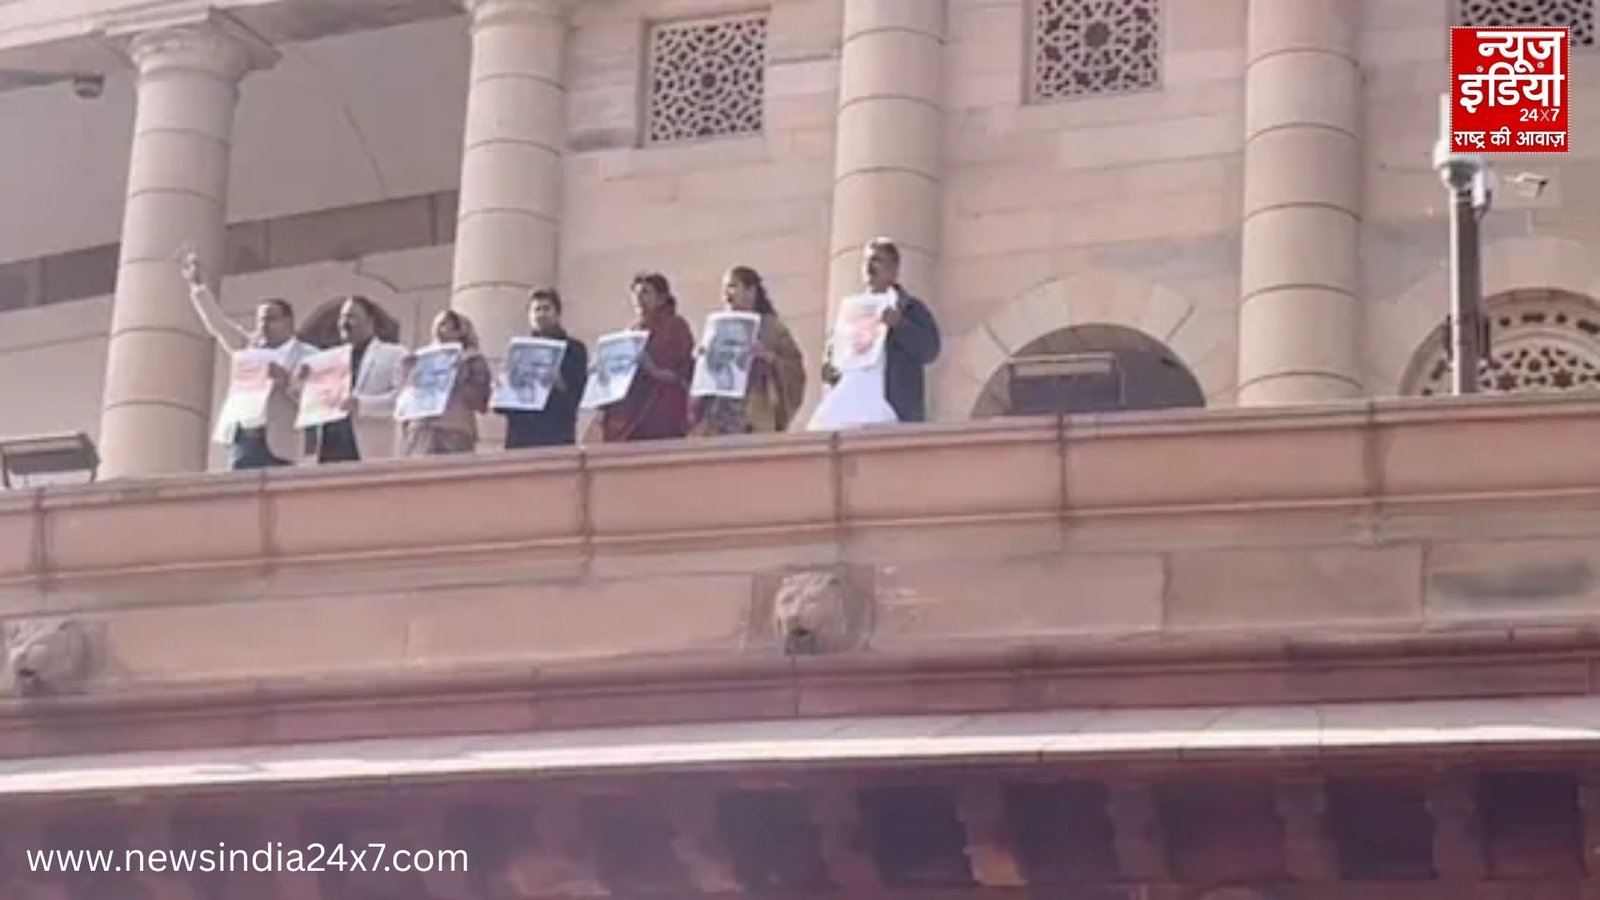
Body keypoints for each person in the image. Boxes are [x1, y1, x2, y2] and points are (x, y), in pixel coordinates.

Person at [181, 250, 311, 469]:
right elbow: (219, 325)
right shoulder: (248, 347)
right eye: (260, 320)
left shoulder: (308, 354)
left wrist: (287, 383)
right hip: (243, 436)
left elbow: (317, 400)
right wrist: (197, 287)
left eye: (271, 319)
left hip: (280, 441)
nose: (263, 326)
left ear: (289, 321)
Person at [821, 238, 941, 422]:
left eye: (876, 260)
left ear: (894, 268)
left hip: (897, 413)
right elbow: (828, 368)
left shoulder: (910, 308)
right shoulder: (851, 311)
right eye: (866, 261)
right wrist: (837, 359)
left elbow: (930, 350)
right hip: (855, 412)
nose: (869, 267)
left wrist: (900, 325)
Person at [693, 266, 807, 436]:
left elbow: (794, 367)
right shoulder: (717, 329)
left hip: (755, 408)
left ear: (751, 291)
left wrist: (769, 357)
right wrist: (702, 357)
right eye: (724, 288)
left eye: (732, 286)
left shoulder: (771, 327)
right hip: (720, 412)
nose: (726, 294)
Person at [309, 295, 407, 464]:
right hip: (329, 450)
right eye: (341, 318)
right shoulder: (330, 359)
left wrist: (361, 404)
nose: (344, 323)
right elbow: (312, 401)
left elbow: (403, 400)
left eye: (351, 316)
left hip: (369, 452)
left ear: (371, 320)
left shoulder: (394, 354)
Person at [600, 273, 695, 442]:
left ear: (661, 298)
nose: (639, 298)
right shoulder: (630, 332)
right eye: (635, 294)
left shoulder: (675, 326)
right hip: (631, 417)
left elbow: (684, 372)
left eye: (645, 292)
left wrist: (652, 369)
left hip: (663, 412)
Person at [500, 289, 589, 449]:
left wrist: (559, 382)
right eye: (536, 310)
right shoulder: (518, 350)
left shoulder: (574, 349)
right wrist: (502, 390)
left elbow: (579, 394)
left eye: (546, 308)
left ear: (557, 313)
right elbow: (503, 407)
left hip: (555, 435)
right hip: (520, 437)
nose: (541, 314)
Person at [400, 310, 492, 457]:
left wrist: (459, 378)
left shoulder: (472, 359)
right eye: (435, 324)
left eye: (444, 325)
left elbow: (481, 402)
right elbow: (408, 400)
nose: (437, 330)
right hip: (421, 430)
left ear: (460, 331)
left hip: (454, 430)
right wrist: (408, 374)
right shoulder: (421, 358)